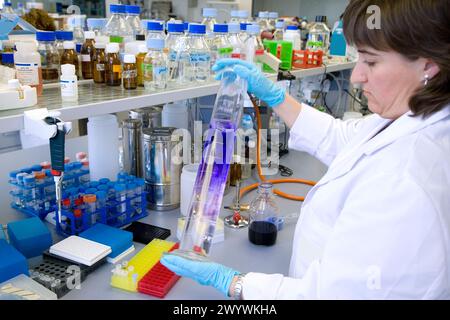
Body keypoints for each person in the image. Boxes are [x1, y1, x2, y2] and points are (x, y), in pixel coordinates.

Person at [161, 0, 450, 299]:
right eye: (358, 59)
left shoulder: (408, 182)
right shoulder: (409, 116)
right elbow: (342, 137)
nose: (355, 76)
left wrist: (234, 283)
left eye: (372, 62)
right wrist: (275, 96)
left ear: (427, 64)